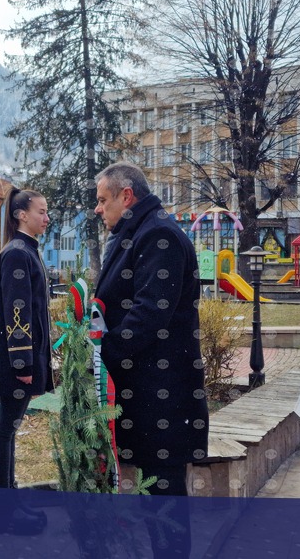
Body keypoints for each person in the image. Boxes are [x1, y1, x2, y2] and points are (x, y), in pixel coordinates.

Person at [93, 162, 208, 556]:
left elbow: (149, 314)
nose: (98, 208)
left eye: (103, 200)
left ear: (127, 196)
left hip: (162, 396)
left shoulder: (158, 235)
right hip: (145, 395)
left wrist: (101, 354)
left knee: (164, 503)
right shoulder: (138, 231)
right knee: (154, 502)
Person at [0, 187, 52, 535]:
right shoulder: (17, 253)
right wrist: (23, 363)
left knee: (9, 430)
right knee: (5, 431)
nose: (47, 218)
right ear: (21, 215)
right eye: (41, 211)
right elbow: (18, 312)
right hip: (18, 363)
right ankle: (3, 512)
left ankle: (9, 502)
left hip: (23, 360)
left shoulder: (26, 250)